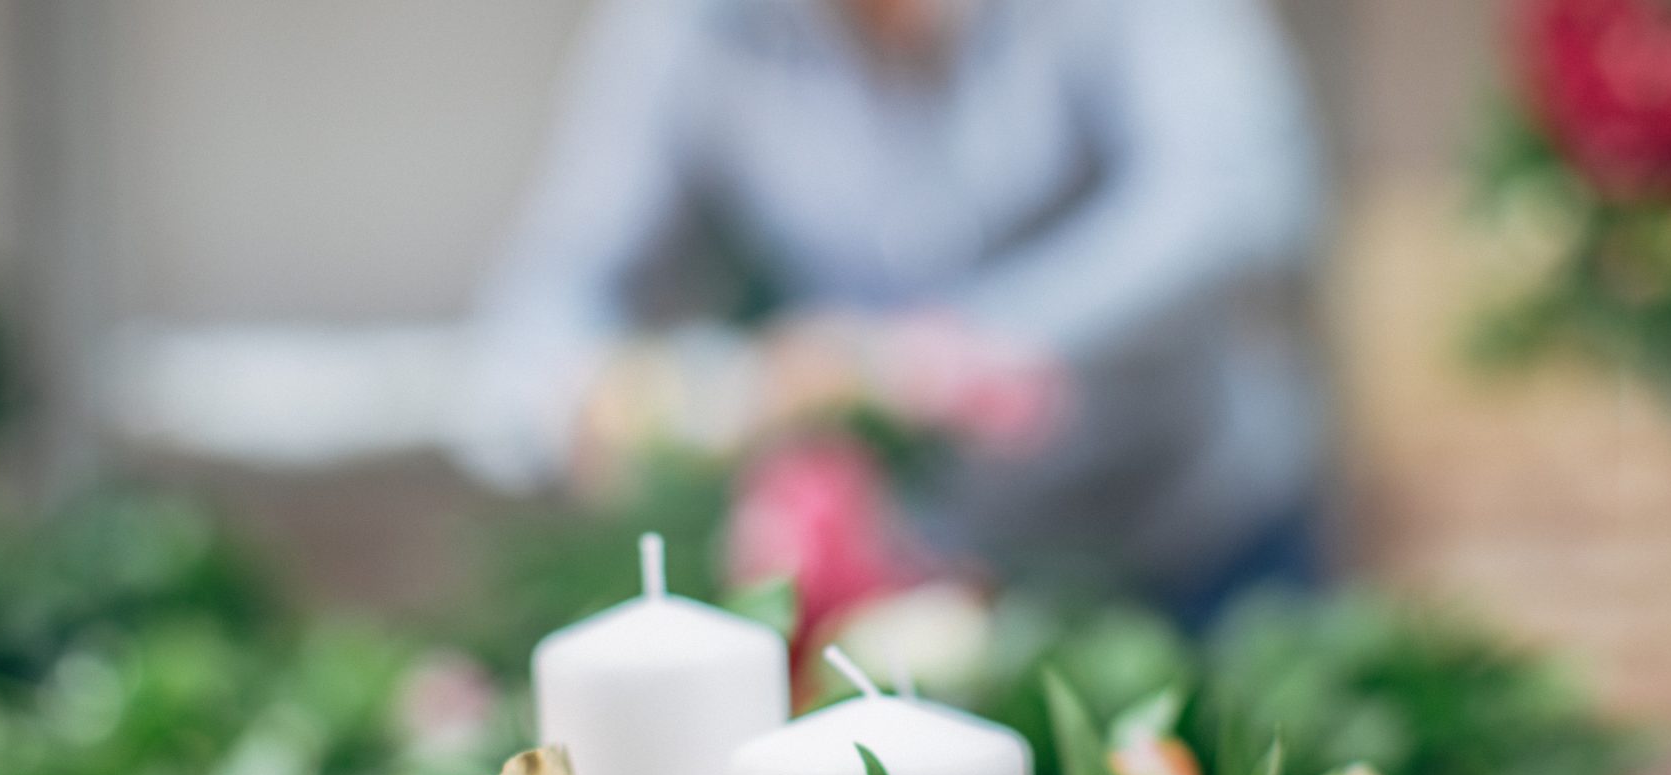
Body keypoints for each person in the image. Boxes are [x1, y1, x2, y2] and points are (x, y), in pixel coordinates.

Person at [454, 0, 1328, 616]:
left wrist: (928, 357)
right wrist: (597, 397)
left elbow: (1238, 199)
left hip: (1190, 540)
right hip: (922, 583)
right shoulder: (691, 24)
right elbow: (552, 289)